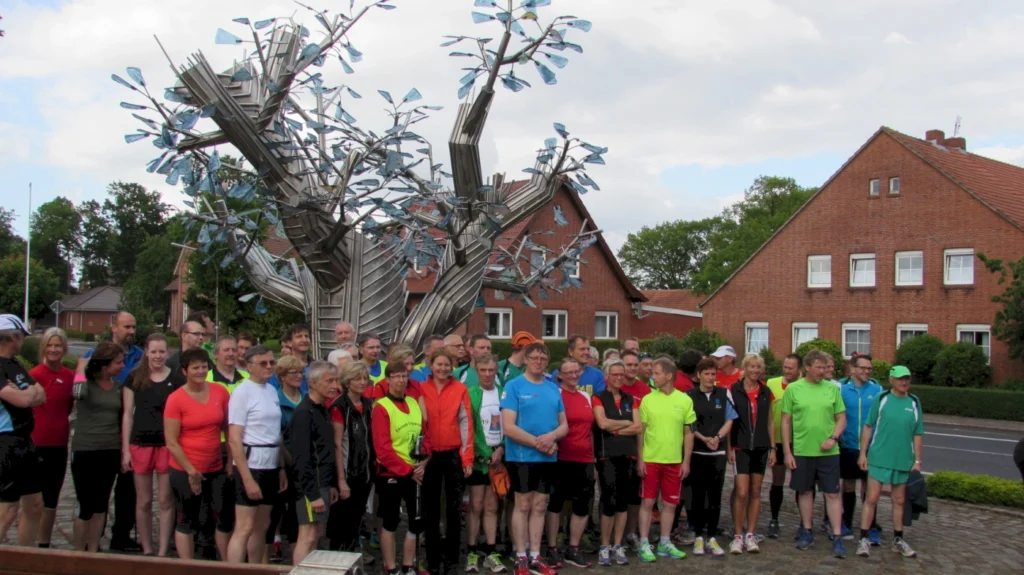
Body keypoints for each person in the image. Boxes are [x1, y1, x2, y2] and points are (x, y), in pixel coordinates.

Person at [77, 311, 144, 553]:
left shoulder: (139, 356)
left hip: (130, 424)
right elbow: (80, 385)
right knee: (96, 494)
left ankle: (121, 535)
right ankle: (91, 540)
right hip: (103, 426)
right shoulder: (96, 355)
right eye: (127, 326)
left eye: (134, 327)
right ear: (113, 327)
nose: (131, 331)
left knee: (128, 489)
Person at [501, 342, 567, 575]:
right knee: (523, 504)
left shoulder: (553, 388)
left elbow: (563, 425)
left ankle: (536, 555)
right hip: (522, 456)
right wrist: (540, 443)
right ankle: (520, 556)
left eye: (543, 358)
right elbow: (508, 427)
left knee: (540, 505)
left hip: (547, 457)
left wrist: (552, 437)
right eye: (534, 357)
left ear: (547, 362)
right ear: (526, 359)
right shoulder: (514, 386)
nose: (538, 361)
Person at [164, 348, 233, 560]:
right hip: (185, 468)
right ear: (185, 371)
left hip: (215, 466)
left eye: (204, 366)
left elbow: (227, 429)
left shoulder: (219, 392)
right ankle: (188, 566)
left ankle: (226, 563)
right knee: (187, 519)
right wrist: (191, 471)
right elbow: (172, 442)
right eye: (195, 368)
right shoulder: (176, 399)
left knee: (223, 517)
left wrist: (230, 461)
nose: (201, 371)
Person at [781, 350, 848, 558]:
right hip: (802, 450)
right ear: (807, 367)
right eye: (819, 367)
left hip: (829, 452)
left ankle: (837, 536)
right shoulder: (793, 389)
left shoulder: (832, 389)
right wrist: (787, 452)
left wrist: (833, 438)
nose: (823, 371)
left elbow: (841, 418)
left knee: (832, 493)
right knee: (805, 492)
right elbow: (785, 421)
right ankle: (807, 531)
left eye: (825, 367)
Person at [122, 334, 183, 556]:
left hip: (167, 445)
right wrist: (125, 449)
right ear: (146, 353)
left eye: (161, 352)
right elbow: (128, 414)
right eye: (153, 351)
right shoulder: (134, 378)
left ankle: (163, 549)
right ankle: (147, 547)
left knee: (166, 501)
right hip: (140, 444)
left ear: (167, 353)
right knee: (144, 501)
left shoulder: (176, 380)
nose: (158, 356)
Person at [855, 365, 924, 559]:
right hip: (879, 457)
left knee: (899, 500)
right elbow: (868, 426)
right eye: (901, 378)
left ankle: (898, 539)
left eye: (907, 379)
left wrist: (917, 460)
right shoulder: (882, 399)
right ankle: (864, 538)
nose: (904, 382)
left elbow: (918, 433)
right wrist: (863, 454)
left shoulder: (914, 402)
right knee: (872, 498)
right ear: (892, 380)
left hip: (902, 460)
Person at [228, 345, 288, 563]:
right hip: (251, 464)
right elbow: (235, 438)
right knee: (244, 527)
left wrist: (281, 466)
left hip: (271, 463)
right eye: (263, 363)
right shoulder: (241, 392)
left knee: (262, 526)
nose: (269, 367)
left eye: (272, 362)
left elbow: (276, 433)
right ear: (249, 366)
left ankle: (254, 568)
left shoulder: (271, 391)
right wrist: (247, 479)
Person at [420, 348, 474, 575]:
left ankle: (452, 560)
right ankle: (432, 559)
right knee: (429, 508)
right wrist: (422, 453)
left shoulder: (460, 389)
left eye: (447, 365)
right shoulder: (420, 389)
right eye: (438, 364)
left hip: (453, 454)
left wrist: (466, 457)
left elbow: (465, 423)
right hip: (429, 455)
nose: (443, 368)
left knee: (453, 509)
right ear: (431, 366)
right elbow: (418, 421)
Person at [636, 357, 694, 562]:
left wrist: (686, 461)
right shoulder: (648, 399)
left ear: (669, 375)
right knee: (648, 502)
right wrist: (640, 459)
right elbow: (640, 433)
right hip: (651, 459)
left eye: (657, 373)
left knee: (670, 504)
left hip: (674, 461)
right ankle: (644, 542)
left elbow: (688, 433)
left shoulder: (684, 400)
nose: (653, 376)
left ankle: (664, 541)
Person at [372, 363, 429, 575]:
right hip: (392, 474)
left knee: (416, 521)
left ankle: (408, 564)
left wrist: (425, 459)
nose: (400, 380)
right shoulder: (382, 407)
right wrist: (407, 470)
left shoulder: (414, 403)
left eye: (404, 376)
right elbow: (382, 449)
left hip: (415, 472)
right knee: (391, 521)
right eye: (395, 376)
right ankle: (390, 567)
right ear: (387, 380)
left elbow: (424, 435)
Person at [71, 341, 126, 552]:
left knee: (101, 504)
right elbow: (77, 393)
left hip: (109, 449)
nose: (122, 366)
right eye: (118, 362)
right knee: (84, 505)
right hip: (85, 449)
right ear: (105, 365)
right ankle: (78, 552)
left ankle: (93, 550)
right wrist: (80, 367)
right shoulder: (87, 384)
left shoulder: (118, 387)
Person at [0, 314, 46, 548]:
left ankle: (24, 557)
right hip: (5, 442)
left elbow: (40, 394)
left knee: (35, 503)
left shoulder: (15, 365)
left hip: (25, 442)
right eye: (21, 337)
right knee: (7, 508)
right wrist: (27, 395)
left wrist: (25, 395)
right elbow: (19, 400)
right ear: (12, 337)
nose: (23, 342)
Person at [545, 358, 595, 569]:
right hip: (561, 458)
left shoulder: (585, 396)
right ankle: (553, 548)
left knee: (582, 504)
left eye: (576, 371)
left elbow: (590, 428)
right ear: (560, 376)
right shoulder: (555, 394)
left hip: (584, 458)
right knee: (556, 503)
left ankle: (573, 548)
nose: (574, 375)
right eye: (569, 372)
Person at [28, 327, 75, 548]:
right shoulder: (35, 375)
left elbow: (70, 405)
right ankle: (25, 544)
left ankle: (44, 544)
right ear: (43, 348)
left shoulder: (69, 376)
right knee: (32, 500)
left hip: (59, 443)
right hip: (37, 443)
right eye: (50, 345)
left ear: (64, 348)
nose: (54, 349)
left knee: (51, 498)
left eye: (58, 345)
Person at [289, 361, 341, 564]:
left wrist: (331, 485)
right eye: (329, 381)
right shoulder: (304, 414)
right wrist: (313, 494)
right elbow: (301, 457)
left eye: (336, 380)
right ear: (313, 383)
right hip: (311, 487)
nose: (334, 385)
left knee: (317, 533)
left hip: (323, 483)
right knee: (307, 535)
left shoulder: (322, 409)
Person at [592, 359, 640, 566]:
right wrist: (625, 423)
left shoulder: (631, 399)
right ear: (607, 377)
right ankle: (604, 544)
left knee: (623, 501)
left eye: (622, 374)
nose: (619, 378)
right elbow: (602, 423)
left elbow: (638, 427)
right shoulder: (598, 397)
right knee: (609, 499)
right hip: (607, 455)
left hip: (628, 454)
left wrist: (616, 429)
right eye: (615, 374)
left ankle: (617, 544)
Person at [686, 357, 736, 557]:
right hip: (698, 451)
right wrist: (704, 438)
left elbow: (730, 419)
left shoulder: (724, 394)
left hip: (718, 452)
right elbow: (689, 423)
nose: (710, 377)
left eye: (713, 374)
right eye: (706, 374)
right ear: (698, 375)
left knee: (715, 495)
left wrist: (717, 437)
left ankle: (712, 537)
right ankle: (699, 536)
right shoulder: (689, 395)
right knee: (698, 495)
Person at [728, 354, 775, 555]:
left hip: (762, 447)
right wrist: (729, 447)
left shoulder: (766, 391)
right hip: (741, 446)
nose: (755, 370)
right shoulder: (733, 390)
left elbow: (770, 421)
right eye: (752, 367)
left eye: (758, 367)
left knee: (756, 491)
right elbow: (729, 421)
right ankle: (738, 535)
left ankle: (751, 533)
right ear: (744, 368)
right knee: (741, 492)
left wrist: (773, 448)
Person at [465, 353, 506, 573]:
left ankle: (491, 551)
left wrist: (500, 448)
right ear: (476, 371)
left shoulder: (503, 393)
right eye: (483, 370)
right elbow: (469, 427)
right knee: (476, 506)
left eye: (491, 370)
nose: (488, 374)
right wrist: (484, 452)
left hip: (498, 460)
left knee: (492, 506)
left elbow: (510, 423)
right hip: (478, 460)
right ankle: (472, 550)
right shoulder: (470, 394)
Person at [329, 362, 375, 552]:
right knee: (342, 523)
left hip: (364, 473)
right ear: (348, 382)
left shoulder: (367, 404)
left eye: (364, 378)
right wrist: (341, 480)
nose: (362, 382)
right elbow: (338, 444)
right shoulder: (339, 406)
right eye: (357, 378)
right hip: (347, 473)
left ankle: (352, 557)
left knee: (356, 519)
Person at [838, 353, 882, 543]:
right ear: (853, 369)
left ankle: (871, 524)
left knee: (870, 487)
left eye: (869, 368)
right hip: (848, 444)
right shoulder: (842, 389)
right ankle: (846, 520)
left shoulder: (877, 389)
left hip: (871, 446)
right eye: (863, 368)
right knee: (848, 484)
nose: (866, 371)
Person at [266, 355, 306, 563]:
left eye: (301, 372)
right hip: (283, 462)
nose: (299, 376)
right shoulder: (275, 400)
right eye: (294, 373)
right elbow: (278, 436)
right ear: (282, 376)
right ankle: (274, 544)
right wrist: (289, 461)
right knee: (277, 509)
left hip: (304, 464)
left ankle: (297, 557)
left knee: (298, 514)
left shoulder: (306, 396)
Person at [765, 353, 801, 538]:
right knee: (777, 480)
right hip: (777, 440)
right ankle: (774, 519)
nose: (786, 371)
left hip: (800, 442)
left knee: (801, 483)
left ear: (800, 370)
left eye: (791, 368)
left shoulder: (804, 387)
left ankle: (804, 522)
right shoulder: (771, 383)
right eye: (785, 367)